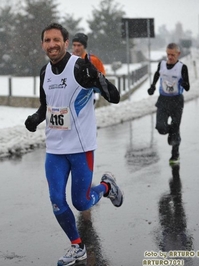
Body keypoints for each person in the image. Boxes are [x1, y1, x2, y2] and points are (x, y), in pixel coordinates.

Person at [24, 23, 123, 266]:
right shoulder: (44, 72)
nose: (52, 45)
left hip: (81, 147)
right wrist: (35, 119)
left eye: (56, 40)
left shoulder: (79, 67)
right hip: (55, 149)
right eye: (47, 40)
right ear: (43, 44)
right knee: (56, 198)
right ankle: (77, 246)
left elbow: (115, 96)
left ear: (66, 42)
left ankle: (106, 188)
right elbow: (46, 105)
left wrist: (96, 77)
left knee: (81, 202)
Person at [147, 43, 190, 165]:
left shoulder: (182, 67)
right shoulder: (161, 64)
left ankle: (175, 155)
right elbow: (157, 74)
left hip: (177, 100)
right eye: (168, 54)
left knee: (176, 129)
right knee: (161, 128)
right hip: (163, 100)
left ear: (178, 54)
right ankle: (172, 130)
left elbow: (187, 87)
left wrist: (183, 83)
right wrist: (152, 86)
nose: (170, 57)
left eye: (173, 55)